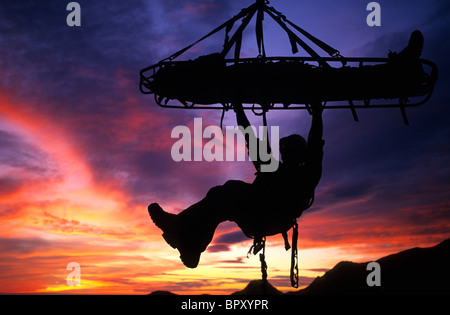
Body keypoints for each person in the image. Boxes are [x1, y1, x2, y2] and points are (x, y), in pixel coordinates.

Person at [148, 101, 325, 268]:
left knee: (222, 196)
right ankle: (191, 246)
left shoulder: (295, 172)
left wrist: (238, 109)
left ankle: (185, 235)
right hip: (264, 219)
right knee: (218, 206)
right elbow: (312, 143)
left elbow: (252, 136)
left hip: (262, 217)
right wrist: (317, 111)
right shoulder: (306, 174)